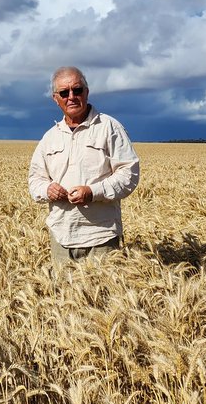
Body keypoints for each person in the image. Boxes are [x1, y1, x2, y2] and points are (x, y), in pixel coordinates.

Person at [28, 66, 140, 265]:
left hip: (101, 237)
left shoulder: (109, 127)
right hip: (61, 237)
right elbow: (35, 180)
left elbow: (128, 174)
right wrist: (48, 189)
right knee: (61, 286)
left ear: (87, 92)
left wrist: (92, 192)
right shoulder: (50, 137)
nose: (71, 97)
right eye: (64, 93)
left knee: (105, 286)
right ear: (56, 98)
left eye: (77, 90)